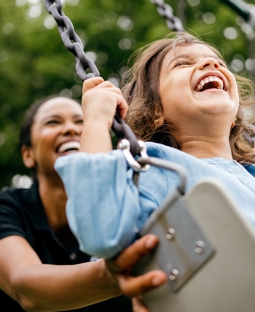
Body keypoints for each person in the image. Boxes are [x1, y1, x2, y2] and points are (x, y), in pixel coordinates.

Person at [54, 33, 255, 303]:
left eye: (218, 62)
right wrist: (95, 122)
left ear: (236, 117)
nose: (211, 65)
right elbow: (101, 232)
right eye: (182, 64)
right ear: (155, 111)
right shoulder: (156, 168)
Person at [0, 96, 166, 311]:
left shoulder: (131, 205)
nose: (71, 129)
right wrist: (109, 275)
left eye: (81, 122)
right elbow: (23, 286)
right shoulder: (8, 207)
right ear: (28, 155)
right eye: (53, 122)